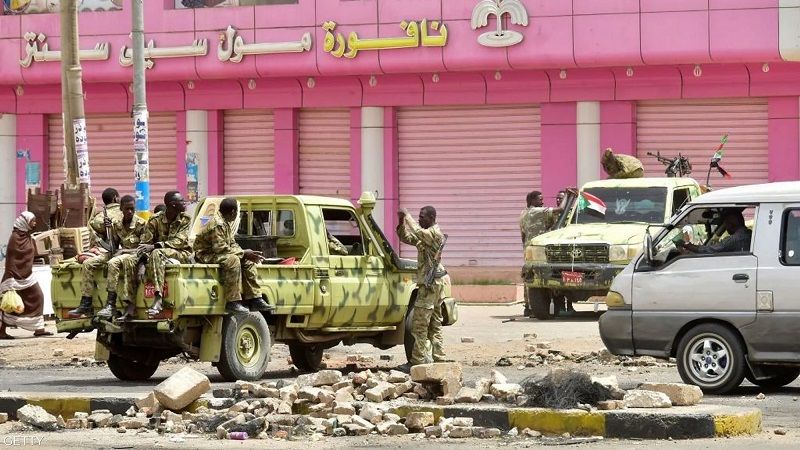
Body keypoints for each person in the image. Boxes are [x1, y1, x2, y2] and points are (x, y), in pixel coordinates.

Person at [194, 197, 269, 313]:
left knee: (248, 261)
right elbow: (220, 248)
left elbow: (232, 243)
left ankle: (255, 299)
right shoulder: (217, 223)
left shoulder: (225, 222)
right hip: (205, 254)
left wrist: (245, 253)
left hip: (217, 252)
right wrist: (243, 253)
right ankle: (233, 302)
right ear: (233, 212)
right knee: (233, 260)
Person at [396, 206, 449, 370]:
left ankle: (417, 361)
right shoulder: (426, 235)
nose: (420, 219)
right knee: (434, 323)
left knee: (420, 325)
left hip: (430, 286)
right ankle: (438, 358)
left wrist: (407, 216)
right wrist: (401, 222)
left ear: (432, 217)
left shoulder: (434, 234)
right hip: (434, 285)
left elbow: (419, 233)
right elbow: (407, 238)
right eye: (419, 217)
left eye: (422, 217)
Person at [90, 195, 149, 320]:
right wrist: (107, 231)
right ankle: (87, 302)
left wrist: (122, 252)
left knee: (113, 262)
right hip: (121, 254)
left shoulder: (141, 224)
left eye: (132, 209)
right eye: (127, 209)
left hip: (136, 256)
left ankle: (111, 304)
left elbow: (143, 249)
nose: (130, 212)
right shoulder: (116, 223)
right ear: (121, 208)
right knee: (93, 262)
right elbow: (113, 246)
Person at [138, 191, 194, 318]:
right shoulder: (155, 220)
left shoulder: (185, 219)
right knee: (147, 255)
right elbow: (145, 244)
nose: (185, 203)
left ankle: (158, 298)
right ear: (173, 204)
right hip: (160, 254)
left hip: (181, 253)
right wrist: (142, 263)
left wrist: (155, 246)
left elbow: (179, 241)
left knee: (157, 252)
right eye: (182, 201)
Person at [0, 212, 53, 339]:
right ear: (25, 222)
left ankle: (39, 328)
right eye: (32, 221)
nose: (34, 223)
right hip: (14, 277)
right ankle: (2, 330)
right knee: (9, 303)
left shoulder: (26, 236)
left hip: (27, 276)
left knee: (38, 296)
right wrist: (12, 279)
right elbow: (13, 259)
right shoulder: (15, 238)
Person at [520, 190, 571, 316]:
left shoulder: (523, 213)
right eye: (540, 199)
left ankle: (529, 307)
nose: (542, 202)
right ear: (532, 201)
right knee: (540, 277)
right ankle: (537, 307)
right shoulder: (536, 211)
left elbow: (523, 235)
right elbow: (560, 209)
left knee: (529, 277)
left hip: (529, 248)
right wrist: (570, 196)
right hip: (539, 250)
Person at [678, 209, 751, 254]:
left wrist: (687, 245)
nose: (726, 227)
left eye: (726, 224)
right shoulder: (750, 235)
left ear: (731, 224)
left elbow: (710, 250)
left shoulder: (734, 240)